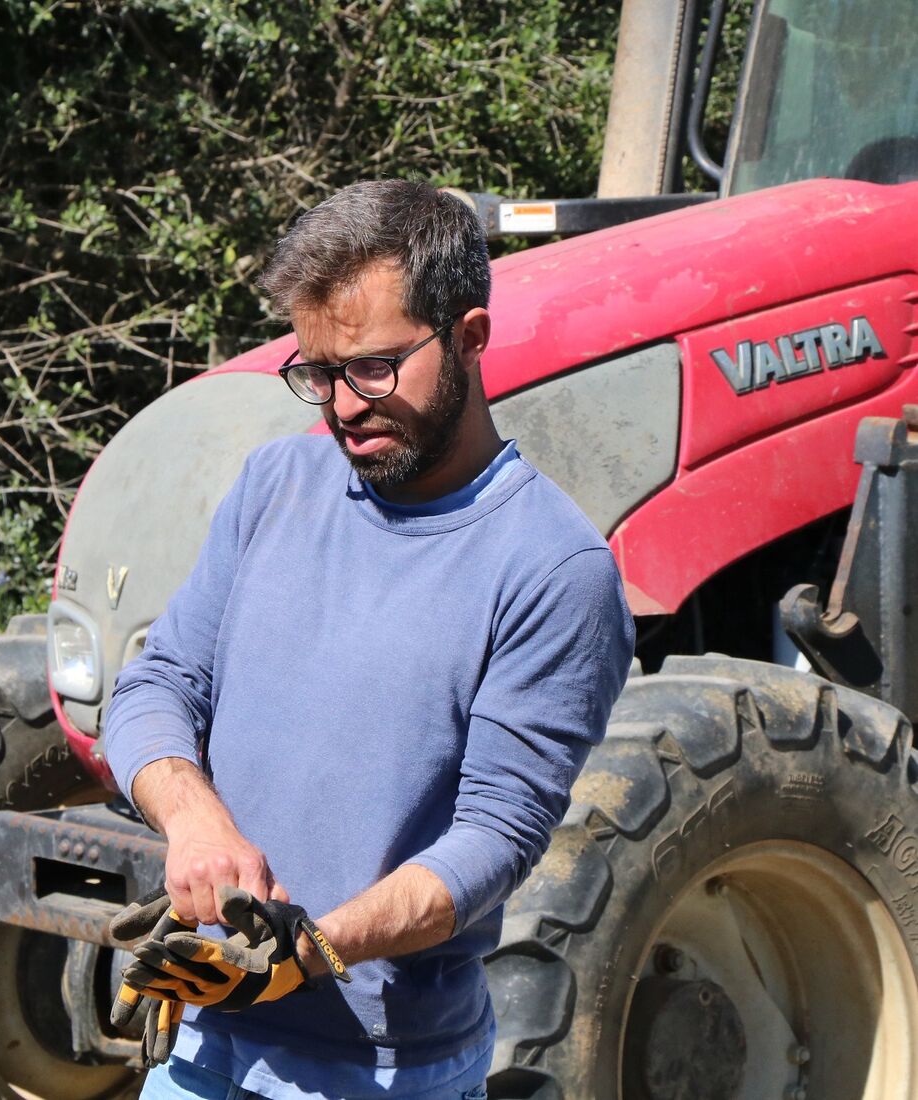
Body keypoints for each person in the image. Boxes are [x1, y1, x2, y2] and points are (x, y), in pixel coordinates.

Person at [104, 179, 635, 1100]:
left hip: (379, 1071)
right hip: (200, 1041)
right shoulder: (276, 484)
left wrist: (309, 951)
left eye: (376, 367)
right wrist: (195, 822)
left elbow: (491, 843)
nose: (344, 406)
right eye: (319, 373)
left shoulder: (553, 569)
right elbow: (157, 687)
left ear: (470, 335)